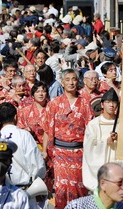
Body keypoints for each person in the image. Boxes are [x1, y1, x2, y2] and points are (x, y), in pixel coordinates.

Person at [41, 69, 94, 209]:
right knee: (61, 189)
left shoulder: (85, 102)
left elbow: (91, 129)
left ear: (78, 82)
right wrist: (46, 151)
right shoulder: (54, 103)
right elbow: (47, 129)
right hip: (60, 153)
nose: (71, 82)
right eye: (68, 79)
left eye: (74, 79)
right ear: (62, 83)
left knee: (80, 188)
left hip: (80, 153)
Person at [0, 102, 46, 208]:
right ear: (15, 117)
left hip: (0, 191)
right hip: (25, 190)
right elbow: (38, 165)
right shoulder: (25, 135)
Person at [83, 88, 123, 191]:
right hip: (101, 165)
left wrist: (120, 139)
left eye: (114, 102)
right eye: (108, 102)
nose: (111, 105)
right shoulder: (93, 125)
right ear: (102, 104)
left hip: (118, 164)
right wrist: (105, 143)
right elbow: (89, 147)